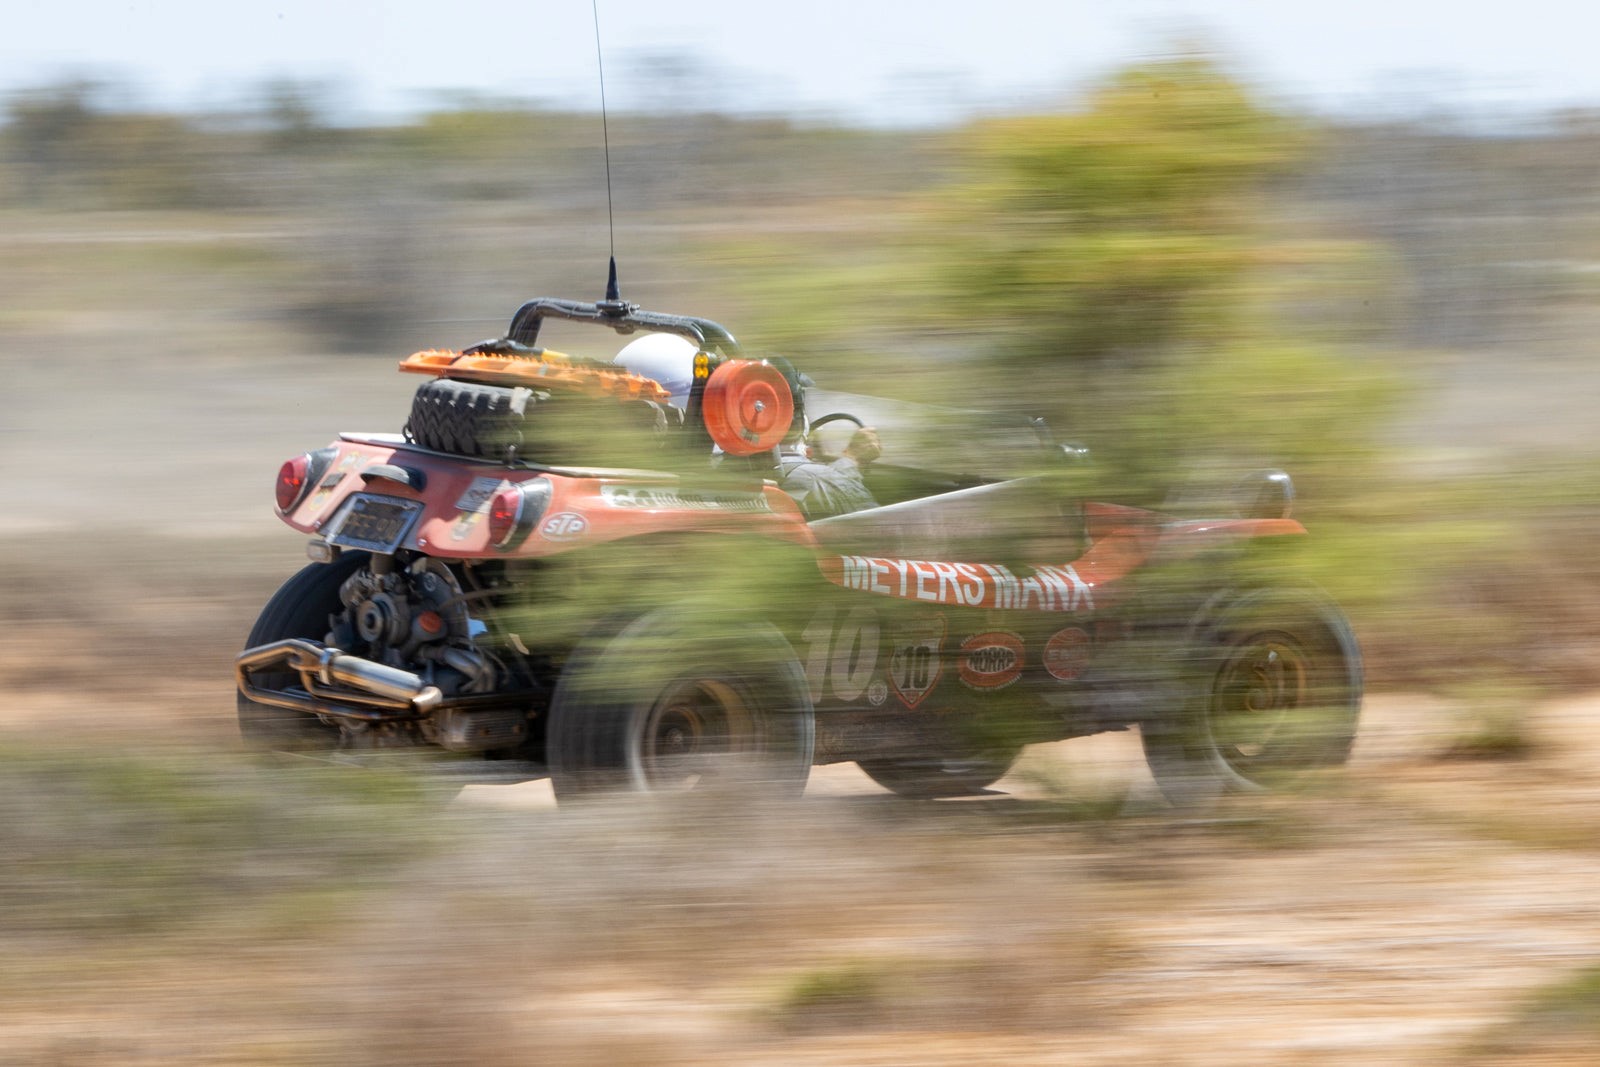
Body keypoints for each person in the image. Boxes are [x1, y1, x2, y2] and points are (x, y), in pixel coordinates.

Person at [779, 423, 882, 519]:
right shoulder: (817, 478)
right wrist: (854, 456)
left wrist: (852, 456)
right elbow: (875, 523)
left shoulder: (813, 475)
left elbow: (833, 478)